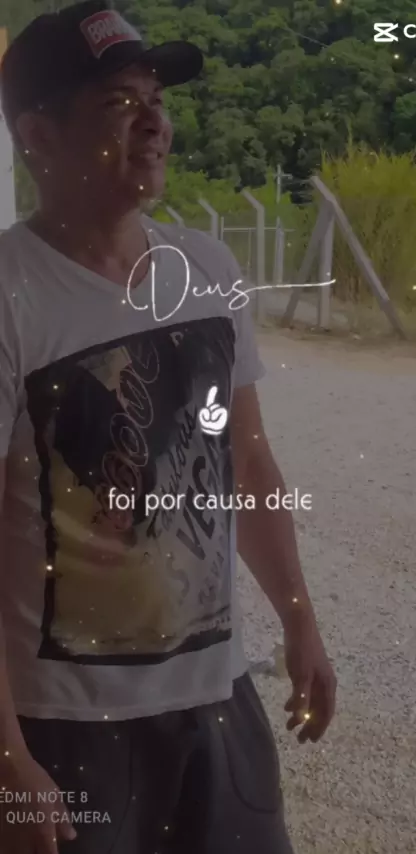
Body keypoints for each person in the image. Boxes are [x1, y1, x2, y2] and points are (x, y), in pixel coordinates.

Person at [0, 1, 336, 852]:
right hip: (63, 727)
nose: (154, 123)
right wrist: (9, 758)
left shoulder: (208, 270)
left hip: (218, 701)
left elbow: (247, 463)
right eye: (118, 104)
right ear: (37, 136)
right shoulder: (11, 296)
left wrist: (299, 620)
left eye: (156, 100)